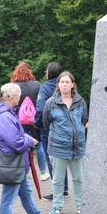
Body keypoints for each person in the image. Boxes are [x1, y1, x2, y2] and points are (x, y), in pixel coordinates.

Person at [0, 83, 56, 214]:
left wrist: (25, 139)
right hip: (12, 164)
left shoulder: (6, 112)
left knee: (26, 193)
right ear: (12, 99)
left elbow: (14, 138)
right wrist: (29, 141)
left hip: (16, 164)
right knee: (8, 198)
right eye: (18, 96)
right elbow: (15, 142)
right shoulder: (4, 117)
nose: (21, 98)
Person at [42, 71, 88, 214]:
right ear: (58, 84)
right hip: (58, 147)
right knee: (57, 179)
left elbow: (83, 120)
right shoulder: (51, 103)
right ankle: (57, 207)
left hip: (77, 147)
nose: (64, 85)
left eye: (67, 82)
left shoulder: (80, 102)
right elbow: (46, 122)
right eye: (62, 82)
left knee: (79, 178)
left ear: (72, 84)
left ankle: (81, 207)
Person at [10, 62, 49, 181]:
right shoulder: (36, 85)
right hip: (34, 120)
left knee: (23, 146)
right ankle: (42, 173)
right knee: (39, 145)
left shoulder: (14, 86)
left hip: (19, 120)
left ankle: (25, 173)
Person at [35, 62, 66, 201]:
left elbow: (40, 109)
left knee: (52, 160)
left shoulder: (45, 88)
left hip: (49, 130)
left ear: (49, 73)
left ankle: (57, 190)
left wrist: (37, 123)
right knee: (62, 158)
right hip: (64, 128)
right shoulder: (66, 87)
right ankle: (64, 188)